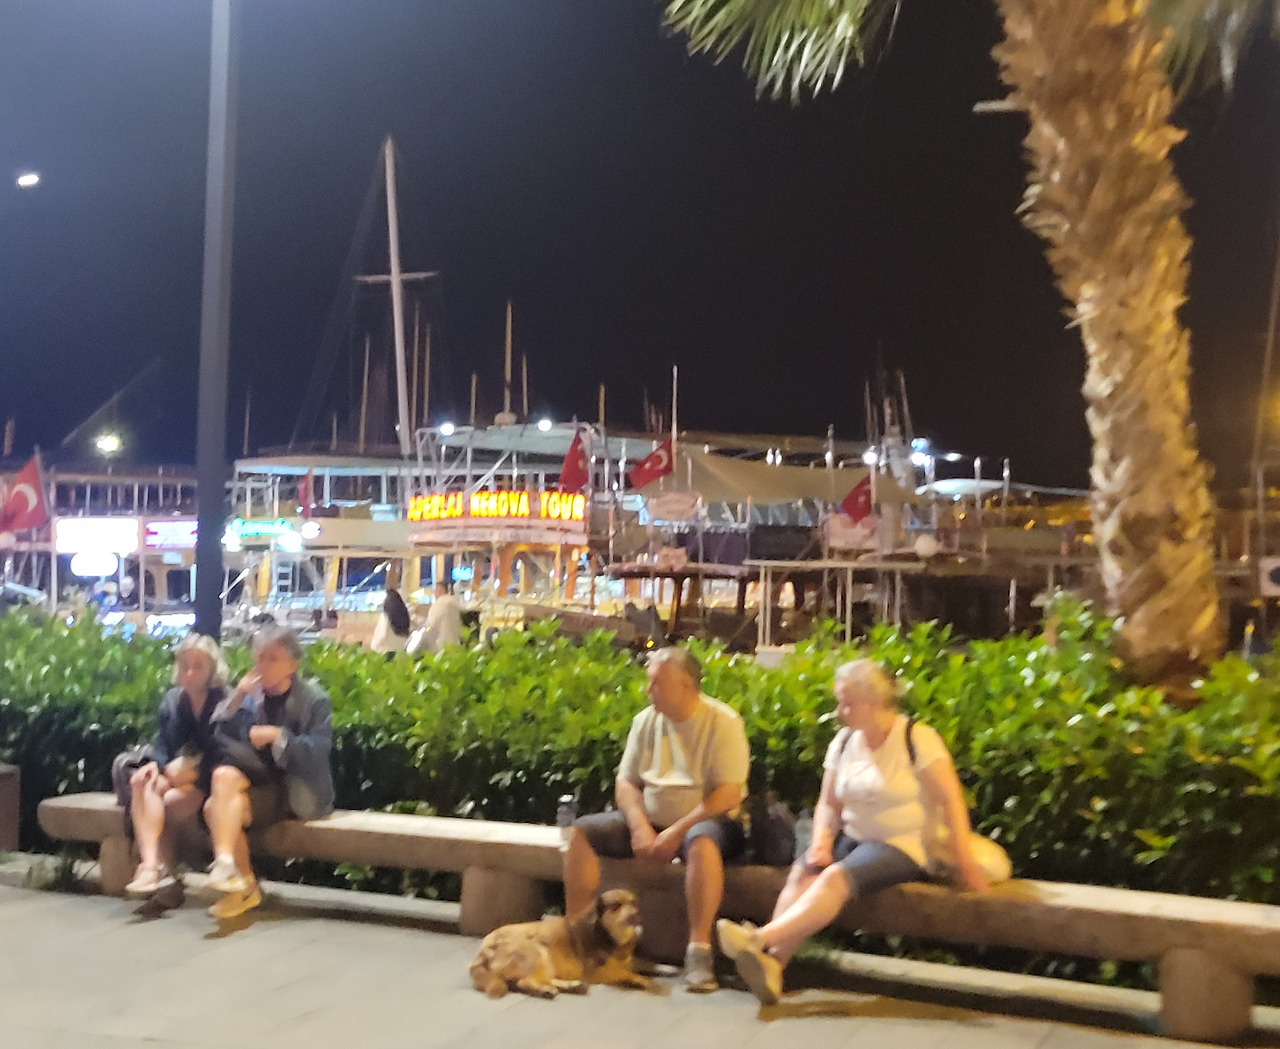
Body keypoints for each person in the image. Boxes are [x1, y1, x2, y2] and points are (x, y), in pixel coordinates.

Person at [716, 659, 989, 1005]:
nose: (839, 711)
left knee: (834, 879)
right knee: (803, 873)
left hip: (902, 845)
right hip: (854, 838)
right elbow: (828, 803)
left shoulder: (917, 738)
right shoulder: (844, 741)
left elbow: (951, 801)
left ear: (873, 702)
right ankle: (774, 965)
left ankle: (759, 940)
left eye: (846, 703)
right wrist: (821, 840)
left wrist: (965, 861)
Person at [563, 646, 750, 993]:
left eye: (657, 683)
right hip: (651, 820)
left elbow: (728, 793)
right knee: (582, 833)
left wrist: (676, 831)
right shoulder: (645, 721)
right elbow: (626, 783)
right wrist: (639, 826)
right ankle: (578, 938)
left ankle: (699, 952)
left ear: (687, 685)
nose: (649, 691)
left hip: (707, 820)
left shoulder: (723, 722)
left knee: (702, 841)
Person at [203, 624, 335, 919]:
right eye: (260, 657)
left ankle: (242, 883)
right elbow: (217, 735)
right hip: (256, 781)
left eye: (272, 658)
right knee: (221, 780)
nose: (263, 665)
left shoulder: (314, 699)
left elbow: (317, 752)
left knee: (215, 807)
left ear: (292, 664)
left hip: (294, 788)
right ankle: (229, 867)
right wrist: (237, 697)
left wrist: (279, 736)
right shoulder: (251, 695)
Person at [124, 633, 231, 898]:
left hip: (209, 782)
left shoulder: (225, 702)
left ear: (212, 669)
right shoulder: (173, 701)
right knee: (142, 784)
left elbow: (227, 754)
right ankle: (150, 866)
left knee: (167, 803)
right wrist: (154, 766)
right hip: (176, 775)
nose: (190, 672)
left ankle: (163, 877)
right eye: (185, 666)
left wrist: (191, 774)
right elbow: (163, 747)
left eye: (198, 666)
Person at [409, 582, 463, 655]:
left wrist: (419, 620)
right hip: (456, 642)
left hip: (442, 645)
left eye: (436, 590)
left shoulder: (438, 605)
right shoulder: (455, 602)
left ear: (441, 590)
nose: (434, 593)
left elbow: (431, 626)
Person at [370, 588, 411, 656]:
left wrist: (374, 646)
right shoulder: (405, 614)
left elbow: (382, 634)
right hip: (402, 650)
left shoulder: (385, 616)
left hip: (387, 651)